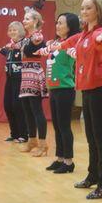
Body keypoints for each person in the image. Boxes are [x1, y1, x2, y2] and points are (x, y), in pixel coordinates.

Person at [51, 0, 102, 199]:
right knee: (90, 137)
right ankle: (93, 176)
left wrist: (100, 39)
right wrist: (53, 47)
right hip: (87, 89)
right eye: (83, 8)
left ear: (98, 11)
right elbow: (69, 41)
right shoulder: (84, 34)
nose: (84, 12)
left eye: (88, 8)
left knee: (100, 137)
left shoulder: (100, 33)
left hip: (100, 88)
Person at [38, 13, 80, 174]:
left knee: (64, 126)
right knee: (56, 125)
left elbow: (74, 57)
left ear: (70, 26)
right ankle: (60, 158)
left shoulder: (71, 44)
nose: (57, 25)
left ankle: (69, 161)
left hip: (65, 89)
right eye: (57, 22)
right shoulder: (56, 43)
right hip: (54, 88)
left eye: (61, 23)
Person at [19, 9, 49, 157]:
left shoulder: (37, 36)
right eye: (24, 19)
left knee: (36, 110)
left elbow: (38, 45)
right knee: (27, 110)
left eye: (27, 19)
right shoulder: (27, 37)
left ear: (35, 21)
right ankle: (32, 140)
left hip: (34, 73)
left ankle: (43, 144)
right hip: (25, 73)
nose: (24, 21)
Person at [0, 21, 28, 143]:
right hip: (9, 79)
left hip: (20, 79)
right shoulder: (10, 47)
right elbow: (6, 52)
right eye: (10, 30)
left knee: (18, 106)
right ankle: (14, 133)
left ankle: (24, 135)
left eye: (14, 30)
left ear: (21, 31)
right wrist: (2, 50)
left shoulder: (24, 43)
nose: (12, 32)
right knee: (8, 105)